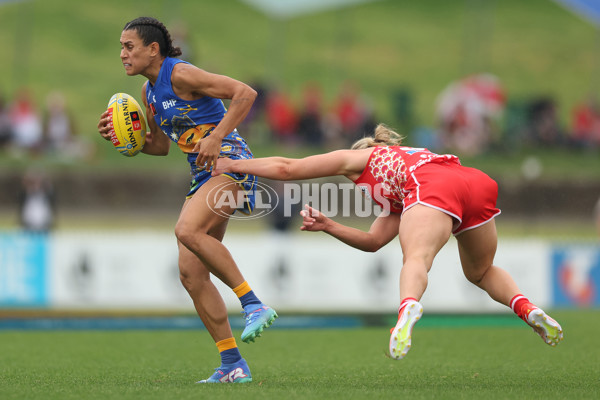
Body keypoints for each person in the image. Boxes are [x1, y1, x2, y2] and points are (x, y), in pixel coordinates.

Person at [212, 123, 564, 360]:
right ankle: (526, 309)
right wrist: (330, 225)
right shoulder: (402, 172)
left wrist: (235, 163)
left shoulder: (358, 158)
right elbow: (374, 241)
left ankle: (408, 307)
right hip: (472, 182)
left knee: (415, 259)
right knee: (481, 271)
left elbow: (289, 167)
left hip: (433, 189)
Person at [96, 17, 277, 383]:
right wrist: (123, 141)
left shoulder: (181, 74)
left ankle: (253, 303)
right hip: (203, 176)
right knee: (191, 274)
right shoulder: (148, 94)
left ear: (153, 49)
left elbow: (245, 93)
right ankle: (232, 364)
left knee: (186, 230)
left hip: (231, 163)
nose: (122, 54)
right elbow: (160, 147)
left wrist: (216, 136)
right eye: (121, 47)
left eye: (129, 46)